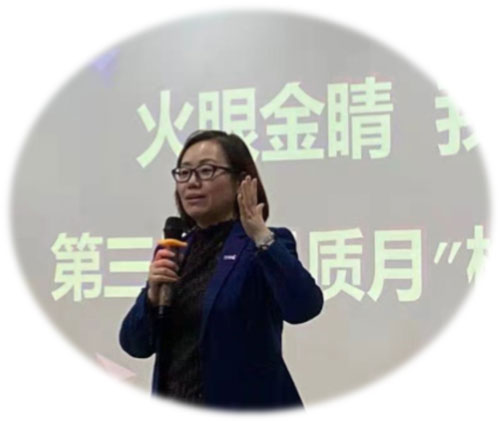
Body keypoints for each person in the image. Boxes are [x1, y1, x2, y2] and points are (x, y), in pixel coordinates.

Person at [119, 129, 324, 410]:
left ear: (241, 181)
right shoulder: (175, 250)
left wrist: (260, 234)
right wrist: (152, 298)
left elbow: (304, 307)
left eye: (206, 170)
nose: (192, 182)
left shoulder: (264, 244)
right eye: (184, 173)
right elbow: (135, 345)